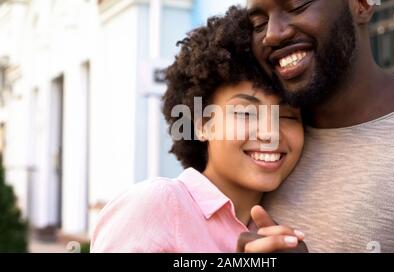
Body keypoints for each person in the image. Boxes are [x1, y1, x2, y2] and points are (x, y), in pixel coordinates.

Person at [90, 6, 304, 253]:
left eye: (288, 115)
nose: (271, 134)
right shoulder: (157, 205)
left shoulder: (278, 228)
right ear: (202, 124)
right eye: (246, 112)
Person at [241, 0, 394, 252]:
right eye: (259, 23)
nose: (273, 33)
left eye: (297, 6)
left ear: (361, 5)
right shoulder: (264, 148)